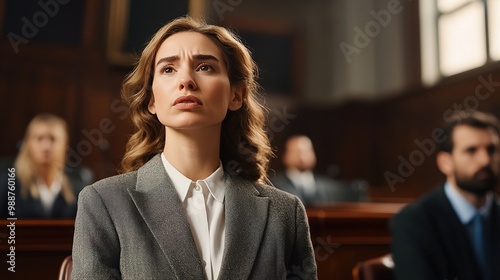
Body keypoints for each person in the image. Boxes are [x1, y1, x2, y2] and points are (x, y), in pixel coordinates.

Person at [71, 17, 317, 279]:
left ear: (236, 95)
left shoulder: (286, 213)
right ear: (152, 99)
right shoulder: (103, 203)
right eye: (168, 69)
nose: (186, 80)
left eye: (204, 67)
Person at [390, 111, 500, 280]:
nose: (485, 160)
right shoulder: (413, 223)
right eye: (471, 150)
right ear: (445, 162)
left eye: (492, 149)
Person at [0, 114, 87, 218]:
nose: (46, 146)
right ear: (28, 143)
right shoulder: (9, 182)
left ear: (65, 145)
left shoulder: (77, 185)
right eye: (39, 138)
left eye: (53, 139)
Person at [272, 135, 364, 205]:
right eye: (297, 152)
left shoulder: (327, 185)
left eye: (306, 151)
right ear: (285, 156)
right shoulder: (275, 185)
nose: (302, 156)